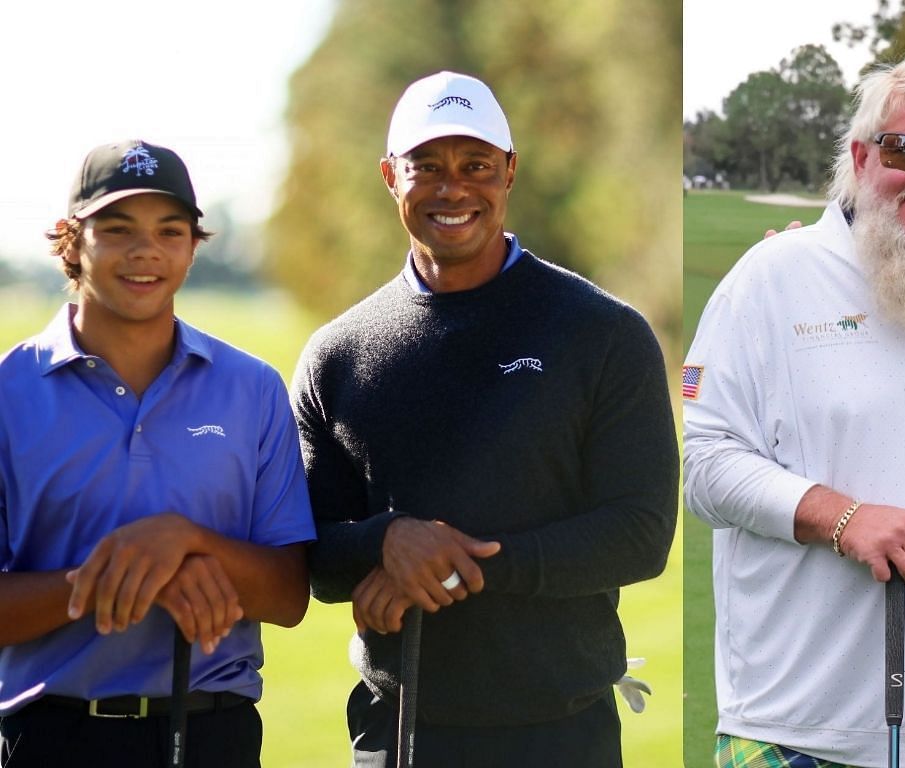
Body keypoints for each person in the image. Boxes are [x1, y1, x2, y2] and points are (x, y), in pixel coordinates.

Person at [292, 71, 678, 767]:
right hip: (396, 729)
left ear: (509, 172)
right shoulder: (337, 355)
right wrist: (386, 540)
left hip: (561, 732)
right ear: (389, 176)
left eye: (476, 165)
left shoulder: (603, 333)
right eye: (426, 167)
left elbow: (640, 534)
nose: (452, 188)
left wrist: (448, 569)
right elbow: (308, 553)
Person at [684, 56, 905, 768]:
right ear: (859, 155)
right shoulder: (772, 277)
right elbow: (704, 464)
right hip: (794, 727)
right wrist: (841, 516)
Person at [0, 139, 316, 767]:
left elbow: (288, 596)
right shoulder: (9, 392)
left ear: (193, 246)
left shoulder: (252, 388)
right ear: (71, 239)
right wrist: (126, 578)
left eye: (170, 231)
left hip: (213, 734)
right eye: (117, 229)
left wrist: (183, 539)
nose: (146, 251)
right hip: (51, 737)